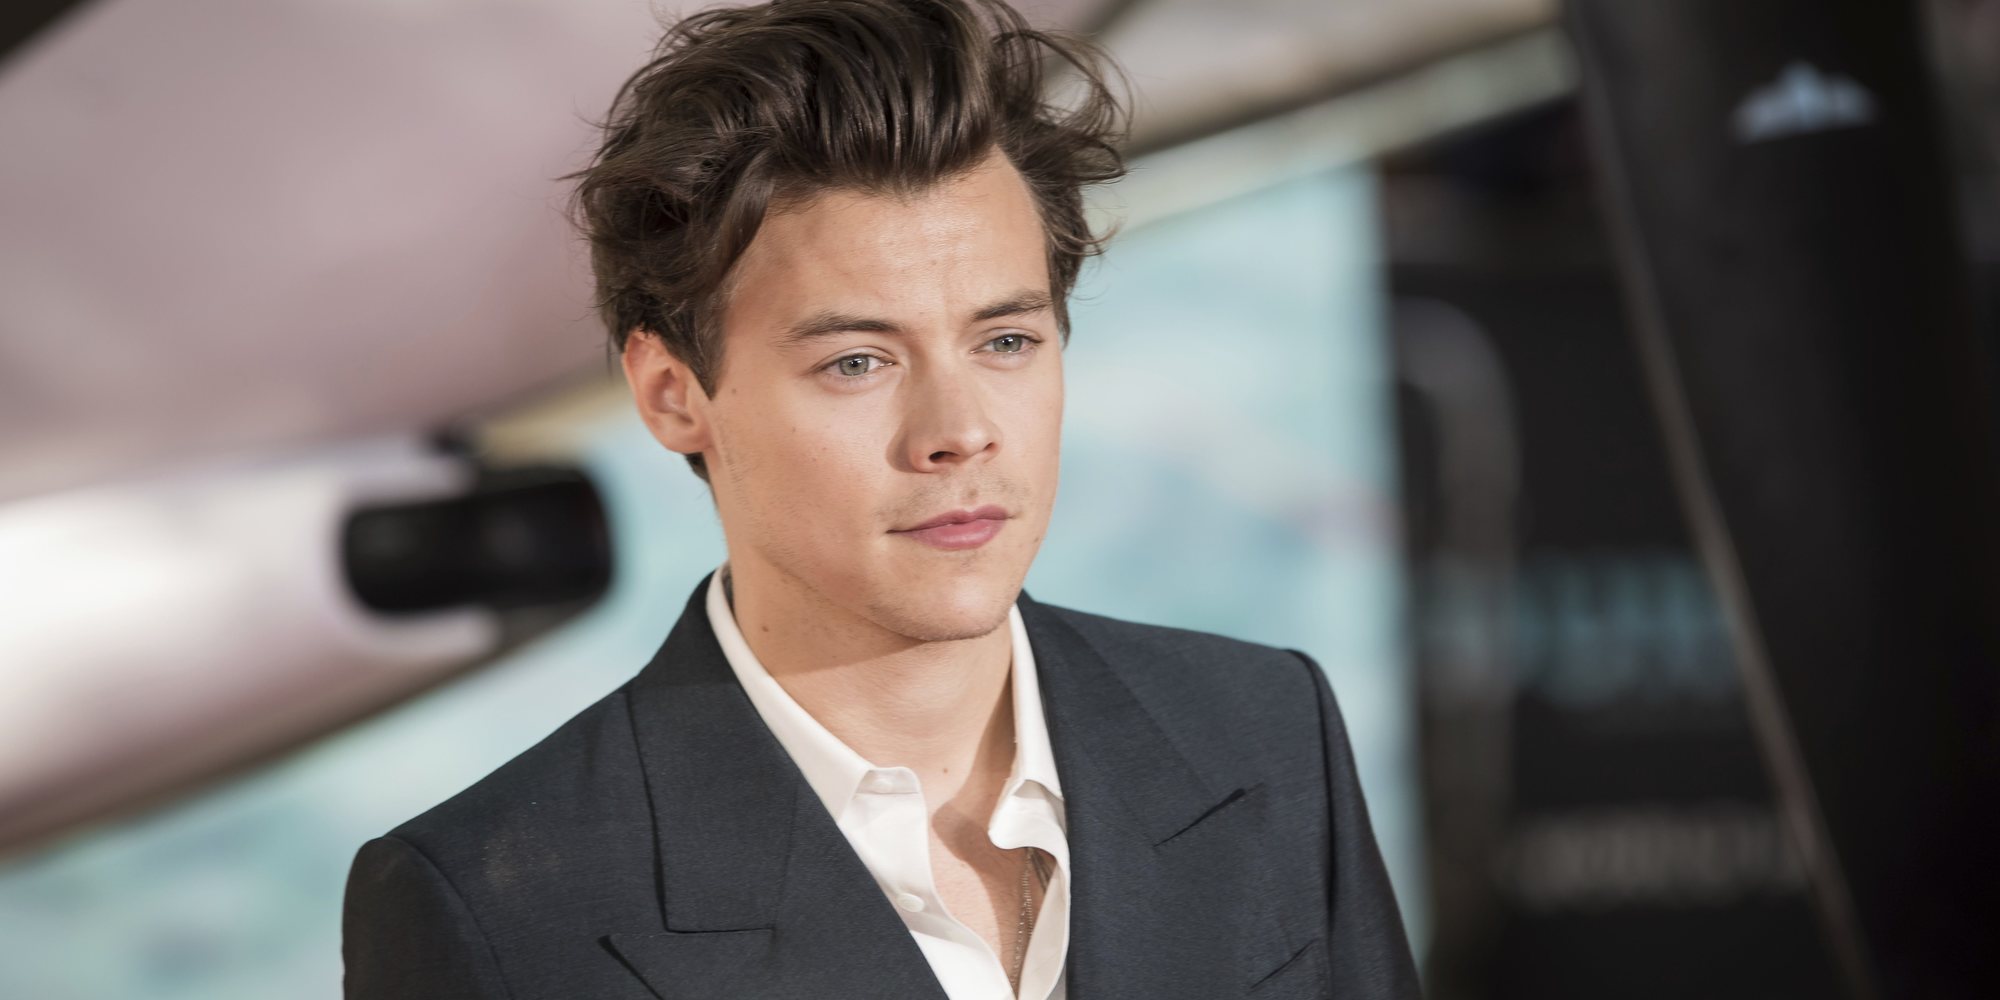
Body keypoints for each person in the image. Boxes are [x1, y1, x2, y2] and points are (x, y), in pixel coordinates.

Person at [339, 0, 1419, 997]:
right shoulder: (494, 907)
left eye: (1005, 341)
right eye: (857, 361)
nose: (958, 430)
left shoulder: (1264, 732)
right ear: (672, 394)